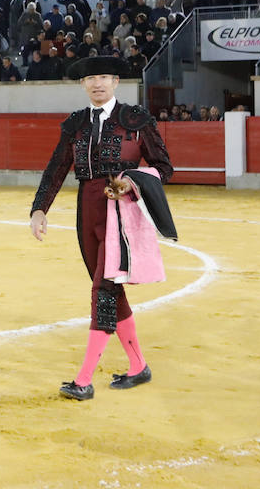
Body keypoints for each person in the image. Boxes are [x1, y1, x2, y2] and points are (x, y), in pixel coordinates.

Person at [29, 56, 174, 400]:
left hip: (121, 213)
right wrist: (39, 208)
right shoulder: (75, 124)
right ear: (83, 84)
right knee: (110, 288)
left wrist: (132, 182)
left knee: (103, 290)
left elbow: (164, 167)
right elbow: (56, 168)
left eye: (104, 77)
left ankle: (84, 379)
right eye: (91, 78)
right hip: (87, 209)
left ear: (116, 82)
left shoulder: (136, 120)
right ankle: (139, 366)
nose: (98, 83)